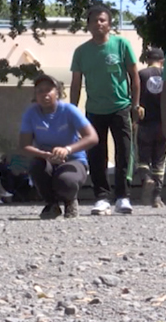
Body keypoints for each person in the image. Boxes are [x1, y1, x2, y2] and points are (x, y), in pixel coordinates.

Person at [70, 4, 141, 215]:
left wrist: (135, 105)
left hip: (121, 108)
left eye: (102, 20)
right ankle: (101, 198)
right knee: (96, 155)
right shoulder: (81, 52)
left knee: (124, 153)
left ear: (109, 24)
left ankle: (123, 197)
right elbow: (75, 83)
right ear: (89, 25)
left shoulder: (121, 44)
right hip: (94, 110)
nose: (98, 23)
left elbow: (134, 77)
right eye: (94, 20)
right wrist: (72, 112)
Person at [20, 74, 99, 219]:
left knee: (66, 180)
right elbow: (24, 146)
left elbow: (92, 137)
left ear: (57, 92)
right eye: (40, 91)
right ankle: (52, 204)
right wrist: (45, 155)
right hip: (47, 160)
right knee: (36, 166)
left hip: (73, 159)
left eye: (48, 90)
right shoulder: (30, 114)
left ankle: (70, 201)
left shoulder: (69, 110)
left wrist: (67, 149)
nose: (44, 94)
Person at [136, 48, 165, 207]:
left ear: (147, 60)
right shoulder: (164, 74)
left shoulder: (141, 74)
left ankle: (146, 178)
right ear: (162, 60)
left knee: (143, 159)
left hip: (145, 123)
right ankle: (157, 197)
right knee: (159, 161)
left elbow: (135, 97)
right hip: (162, 124)